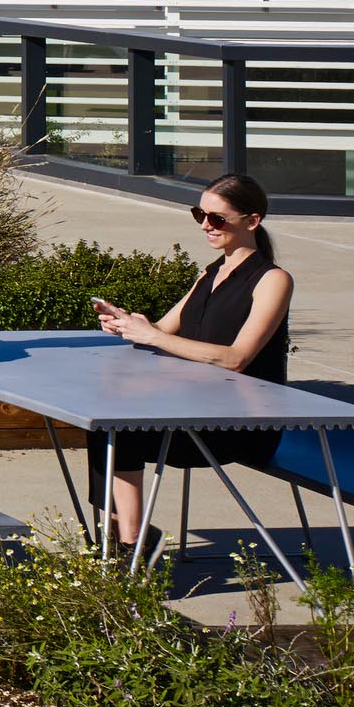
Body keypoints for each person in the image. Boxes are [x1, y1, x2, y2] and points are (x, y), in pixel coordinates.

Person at [88, 172, 293, 564]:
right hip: (194, 408)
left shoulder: (273, 280)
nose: (205, 225)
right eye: (200, 214)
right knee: (103, 429)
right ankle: (122, 537)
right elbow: (164, 329)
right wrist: (126, 323)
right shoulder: (210, 273)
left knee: (120, 433)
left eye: (217, 218)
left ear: (252, 222)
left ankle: (131, 546)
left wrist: (152, 337)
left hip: (243, 424)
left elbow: (236, 358)